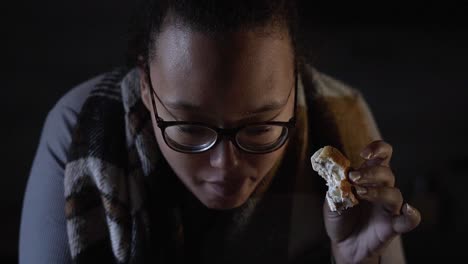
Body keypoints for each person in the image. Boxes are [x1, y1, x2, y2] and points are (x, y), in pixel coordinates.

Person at [19, 1, 421, 263]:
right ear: (145, 84)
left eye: (261, 125)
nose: (224, 164)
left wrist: (355, 259)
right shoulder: (80, 130)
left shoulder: (341, 120)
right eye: (190, 127)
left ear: (295, 82)